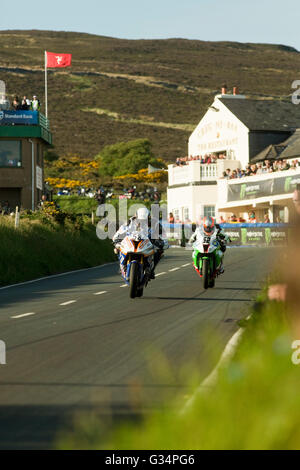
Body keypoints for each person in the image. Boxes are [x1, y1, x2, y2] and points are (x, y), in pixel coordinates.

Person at [113, 207, 168, 279]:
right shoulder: (130, 221)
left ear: (148, 218)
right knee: (117, 249)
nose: (141, 222)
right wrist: (116, 238)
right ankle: (122, 265)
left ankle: (151, 269)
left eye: (145, 220)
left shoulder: (155, 223)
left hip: (148, 241)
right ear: (136, 217)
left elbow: (163, 235)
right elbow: (120, 231)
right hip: (132, 240)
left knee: (159, 251)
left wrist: (163, 242)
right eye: (139, 220)